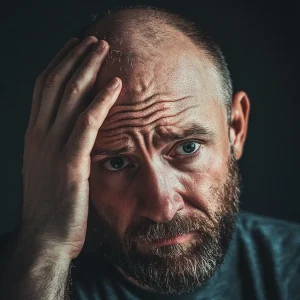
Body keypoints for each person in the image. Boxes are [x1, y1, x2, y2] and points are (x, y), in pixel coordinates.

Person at [0, 5, 299, 300]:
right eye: (117, 162)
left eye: (187, 148)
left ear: (236, 128)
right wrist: (46, 245)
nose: (162, 207)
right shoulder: (16, 278)